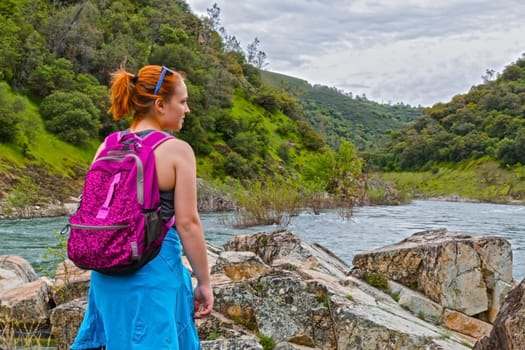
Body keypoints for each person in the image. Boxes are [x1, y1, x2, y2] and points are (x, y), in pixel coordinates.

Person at [71, 65, 214, 350]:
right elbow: (187, 223)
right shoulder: (177, 151)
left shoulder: (107, 146)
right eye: (182, 102)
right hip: (153, 272)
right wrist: (204, 282)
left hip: (106, 275)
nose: (187, 110)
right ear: (160, 104)